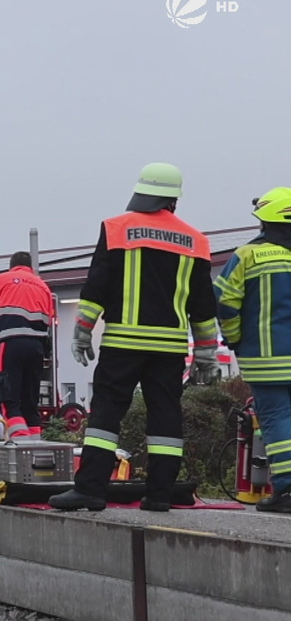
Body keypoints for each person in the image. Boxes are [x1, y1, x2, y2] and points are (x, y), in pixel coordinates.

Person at [50, 163, 218, 512]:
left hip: (123, 342)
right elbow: (203, 305)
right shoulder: (197, 242)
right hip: (169, 348)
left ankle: (91, 490)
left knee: (107, 415)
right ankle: (159, 496)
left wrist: (83, 330)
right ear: (174, 200)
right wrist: (206, 352)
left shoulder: (117, 229)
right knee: (165, 417)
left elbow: (97, 284)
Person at [214, 188, 291, 513]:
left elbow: (225, 302)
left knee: (276, 420)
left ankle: (287, 491)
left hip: (266, 359)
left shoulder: (247, 255)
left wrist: (233, 339)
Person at [0, 251, 56, 440]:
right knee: (30, 402)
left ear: (11, 266)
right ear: (31, 267)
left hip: (12, 343)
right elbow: (48, 319)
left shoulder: (2, 279)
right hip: (37, 347)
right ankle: (35, 446)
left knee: (8, 398)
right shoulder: (42, 285)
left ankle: (20, 443)